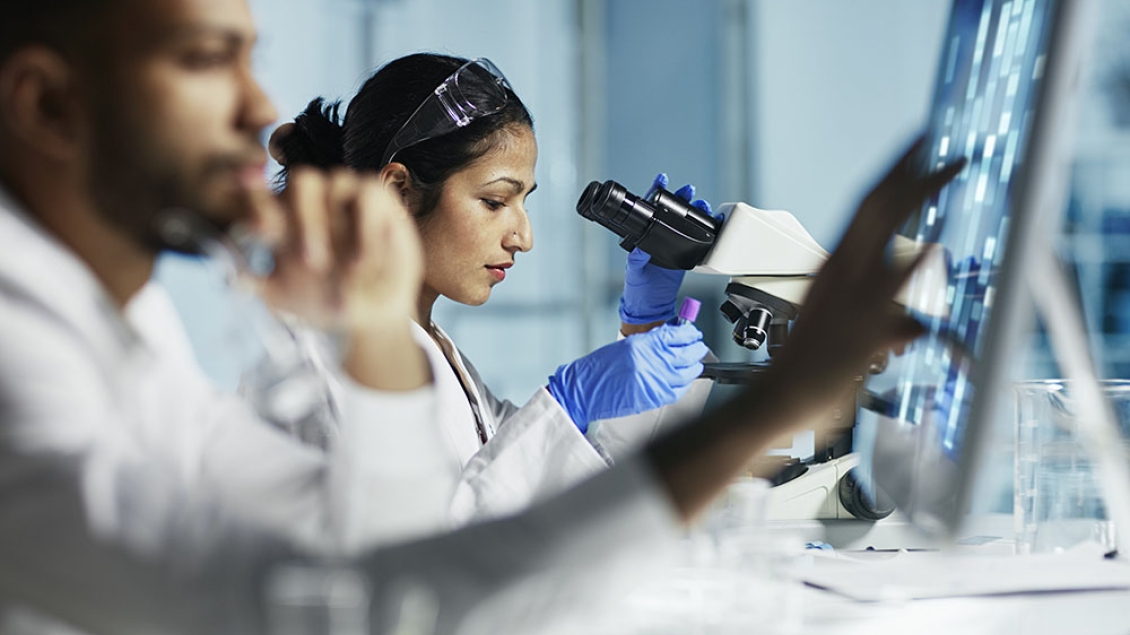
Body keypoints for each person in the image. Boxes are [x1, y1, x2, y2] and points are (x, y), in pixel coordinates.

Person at [0, 0, 963, 634]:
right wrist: (759, 405)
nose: (257, 104)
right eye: (210, 60)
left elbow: (409, 543)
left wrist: (627, 356)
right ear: (47, 106)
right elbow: (396, 599)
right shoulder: (22, 371)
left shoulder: (126, 337)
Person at [259, 53, 715, 529]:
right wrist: (566, 404)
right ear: (398, 191)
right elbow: (425, 560)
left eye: (523, 201)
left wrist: (644, 326)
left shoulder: (437, 352)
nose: (523, 237)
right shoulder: (336, 358)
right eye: (495, 201)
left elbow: (568, 507)